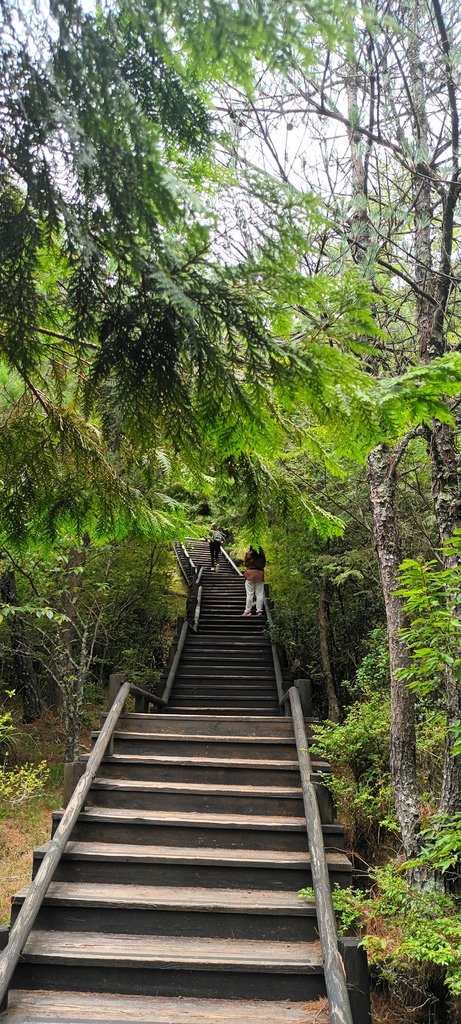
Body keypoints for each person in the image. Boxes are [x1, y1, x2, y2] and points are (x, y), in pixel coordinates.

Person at [242, 546, 266, 616]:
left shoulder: (248, 554)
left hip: (250, 574)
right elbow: (264, 564)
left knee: (249, 594)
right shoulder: (261, 554)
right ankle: (259, 611)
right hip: (259, 575)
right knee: (259, 594)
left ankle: (248, 611)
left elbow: (246, 564)